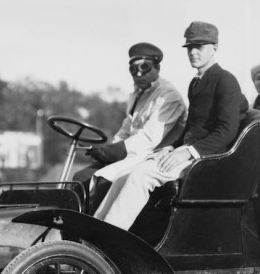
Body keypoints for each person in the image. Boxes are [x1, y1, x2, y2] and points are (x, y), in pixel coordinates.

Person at [94, 21, 248, 231]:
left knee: (142, 174)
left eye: (199, 47)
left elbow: (226, 131)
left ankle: (107, 239)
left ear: (214, 48)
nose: (193, 52)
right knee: (125, 172)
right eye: (190, 47)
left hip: (210, 159)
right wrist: (171, 146)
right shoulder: (196, 82)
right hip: (189, 153)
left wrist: (188, 152)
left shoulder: (225, 80)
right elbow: (192, 128)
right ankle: (93, 234)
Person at [73, 43, 186, 202]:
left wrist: (111, 152)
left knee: (102, 180)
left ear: (157, 68)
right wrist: (110, 149)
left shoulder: (168, 95)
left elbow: (149, 140)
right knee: (80, 177)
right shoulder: (137, 94)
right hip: (131, 154)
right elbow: (126, 129)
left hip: (153, 156)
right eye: (133, 69)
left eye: (145, 67)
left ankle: (99, 225)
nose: (138, 73)